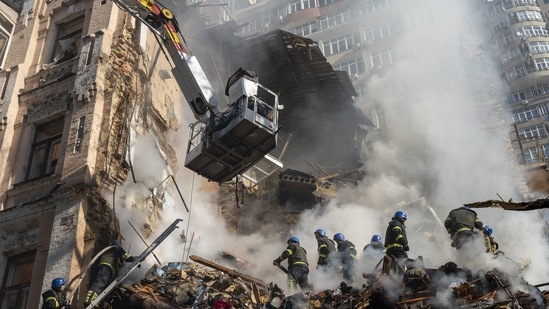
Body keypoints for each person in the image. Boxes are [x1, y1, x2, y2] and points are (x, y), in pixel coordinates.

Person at [84, 239, 136, 306]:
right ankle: (90, 300)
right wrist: (137, 258)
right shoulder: (116, 248)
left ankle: (94, 301)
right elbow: (127, 257)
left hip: (105, 268)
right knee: (100, 283)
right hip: (106, 267)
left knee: (102, 285)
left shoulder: (109, 251)